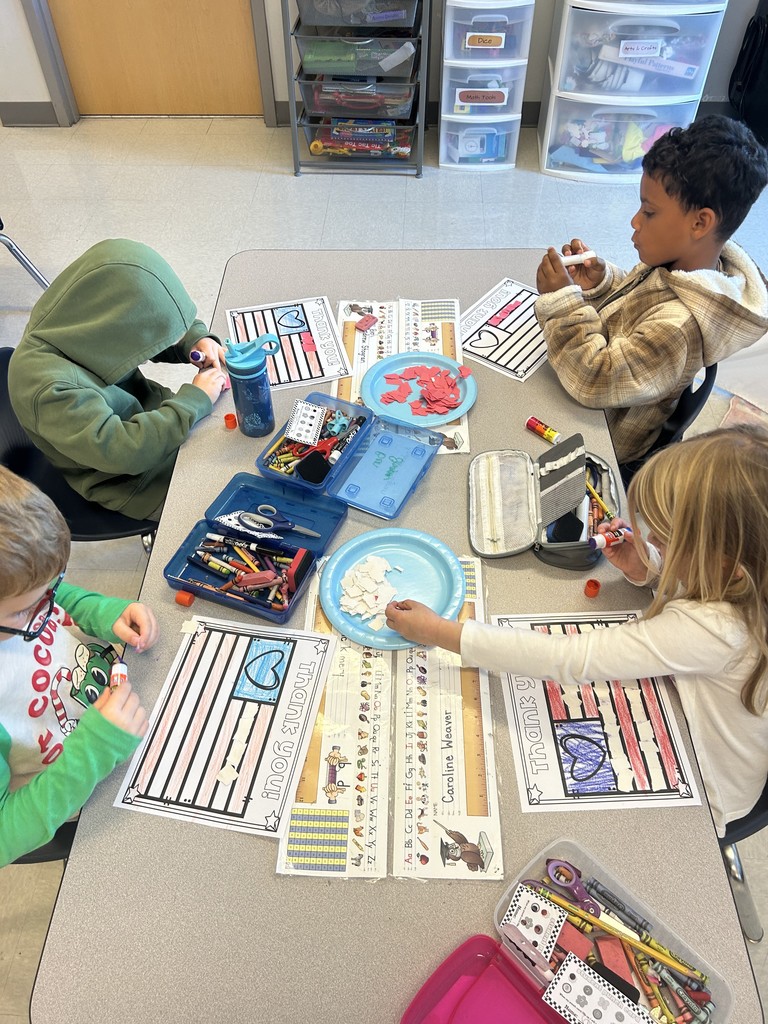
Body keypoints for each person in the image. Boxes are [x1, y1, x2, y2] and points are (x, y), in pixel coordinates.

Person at [386, 426, 768, 838]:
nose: (652, 537)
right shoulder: (744, 579)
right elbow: (701, 579)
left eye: (666, 535)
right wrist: (650, 567)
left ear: (730, 562)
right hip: (687, 720)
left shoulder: (714, 629)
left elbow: (569, 659)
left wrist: (441, 631)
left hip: (706, 793)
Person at [534, 115, 768, 469]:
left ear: (700, 223)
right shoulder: (685, 266)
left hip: (603, 436)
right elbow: (637, 305)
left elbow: (594, 380)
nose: (635, 221)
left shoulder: (678, 328)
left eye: (649, 211)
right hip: (594, 390)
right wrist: (601, 283)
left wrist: (563, 305)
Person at [0, 466, 158, 865]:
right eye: (25, 613)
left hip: (107, 711)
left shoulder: (20, 594)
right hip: (76, 777)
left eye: (49, 590)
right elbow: (5, 834)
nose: (47, 606)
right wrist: (97, 747)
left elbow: (54, 594)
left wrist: (105, 612)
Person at [8, 238, 229, 522]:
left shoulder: (76, 320)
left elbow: (148, 325)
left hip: (161, 423)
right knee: (233, 498)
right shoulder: (50, 389)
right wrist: (193, 401)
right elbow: (125, 452)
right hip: (136, 480)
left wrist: (195, 340)